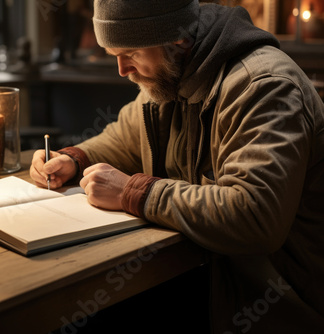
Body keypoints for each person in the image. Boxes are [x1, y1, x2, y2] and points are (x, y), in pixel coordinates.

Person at [30, 0, 324, 333]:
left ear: (178, 39)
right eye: (114, 55)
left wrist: (132, 192)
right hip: (210, 277)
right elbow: (123, 140)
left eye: (132, 53)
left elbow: (255, 215)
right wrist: (72, 158)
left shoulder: (262, 87)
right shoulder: (171, 73)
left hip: (278, 303)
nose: (122, 70)